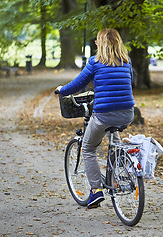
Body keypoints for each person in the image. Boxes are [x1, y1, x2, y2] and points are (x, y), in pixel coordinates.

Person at [55, 28, 135, 208]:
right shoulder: (127, 61)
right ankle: (117, 167)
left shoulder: (95, 62)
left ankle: (96, 191)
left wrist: (62, 90)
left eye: (98, 41)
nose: (95, 43)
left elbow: (78, 84)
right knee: (113, 137)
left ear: (103, 43)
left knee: (89, 147)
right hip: (127, 113)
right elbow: (128, 84)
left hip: (104, 114)